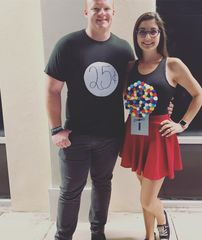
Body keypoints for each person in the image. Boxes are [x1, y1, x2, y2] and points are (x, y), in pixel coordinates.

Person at [45, 1, 135, 240]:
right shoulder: (68, 45)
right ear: (86, 12)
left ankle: (98, 233)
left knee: (103, 183)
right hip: (76, 135)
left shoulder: (124, 49)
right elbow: (52, 90)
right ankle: (62, 237)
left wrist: (160, 104)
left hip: (111, 135)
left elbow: (131, 92)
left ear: (113, 12)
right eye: (96, 8)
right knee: (70, 190)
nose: (101, 13)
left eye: (106, 8)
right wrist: (56, 129)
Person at [120, 12, 202, 240]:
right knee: (144, 194)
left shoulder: (173, 65)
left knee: (148, 199)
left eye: (152, 31)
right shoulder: (130, 67)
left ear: (160, 35)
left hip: (159, 136)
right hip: (136, 133)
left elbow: (198, 95)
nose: (147, 36)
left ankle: (162, 219)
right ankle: (149, 236)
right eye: (142, 31)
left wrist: (181, 124)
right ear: (136, 35)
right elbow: (124, 97)